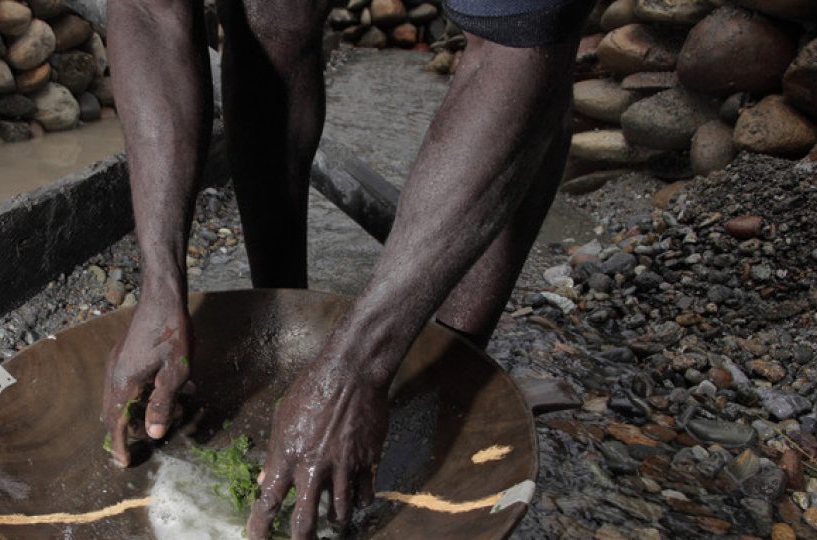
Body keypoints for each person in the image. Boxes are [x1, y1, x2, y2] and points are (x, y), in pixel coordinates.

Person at [100, 0, 595, 537]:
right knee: (272, 18)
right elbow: (146, 13)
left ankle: (452, 370)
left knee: (534, 52)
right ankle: (284, 317)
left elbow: (520, 52)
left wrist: (358, 365)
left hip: (520, 40)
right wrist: (161, 288)